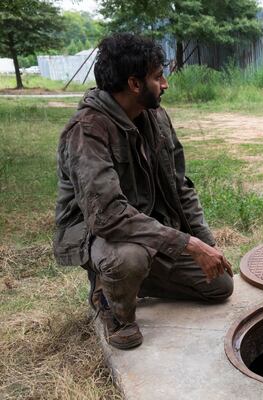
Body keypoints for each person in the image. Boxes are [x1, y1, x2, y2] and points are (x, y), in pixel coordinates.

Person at [53, 33, 234, 350]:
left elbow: (180, 187)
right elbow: (107, 217)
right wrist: (187, 244)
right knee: (129, 257)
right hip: (98, 233)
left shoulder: (155, 116)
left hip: (145, 226)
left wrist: (207, 245)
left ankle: (125, 281)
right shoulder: (87, 130)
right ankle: (114, 307)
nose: (165, 84)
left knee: (219, 287)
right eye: (158, 76)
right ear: (134, 84)